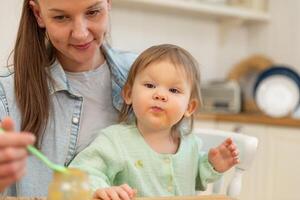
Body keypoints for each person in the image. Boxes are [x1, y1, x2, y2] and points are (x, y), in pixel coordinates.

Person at [0, 0, 137, 196]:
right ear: (38, 14)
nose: (80, 33)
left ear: (108, 3)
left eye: (93, 12)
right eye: (61, 17)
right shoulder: (5, 94)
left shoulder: (147, 77)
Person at [70, 44, 239, 200]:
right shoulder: (115, 140)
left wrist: (213, 165)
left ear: (189, 106)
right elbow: (82, 171)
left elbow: (195, 176)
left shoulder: (191, 144)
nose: (160, 95)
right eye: (150, 85)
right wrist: (102, 189)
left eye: (173, 90)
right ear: (128, 94)